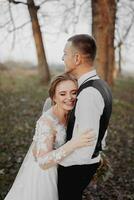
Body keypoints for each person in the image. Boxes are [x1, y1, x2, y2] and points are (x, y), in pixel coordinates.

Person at [4, 73, 95, 200]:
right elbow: (42, 162)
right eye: (62, 94)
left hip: (64, 170)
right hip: (45, 175)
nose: (69, 97)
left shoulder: (72, 113)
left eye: (73, 92)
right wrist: (73, 143)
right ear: (54, 98)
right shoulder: (47, 122)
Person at [56, 34, 112, 200]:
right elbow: (102, 130)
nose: (63, 58)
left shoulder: (88, 93)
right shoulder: (100, 85)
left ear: (77, 58)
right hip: (86, 163)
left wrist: (59, 162)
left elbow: (85, 149)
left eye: (65, 54)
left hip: (76, 167)